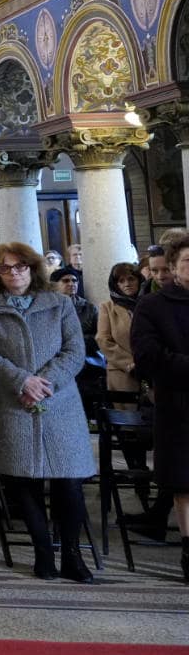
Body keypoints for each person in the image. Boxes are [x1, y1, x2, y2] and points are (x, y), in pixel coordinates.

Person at [0, 242, 96, 583]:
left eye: (20, 267)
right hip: (13, 402)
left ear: (32, 268)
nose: (14, 273)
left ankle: (71, 554)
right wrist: (21, 380)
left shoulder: (59, 304)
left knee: (68, 482)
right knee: (22, 481)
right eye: (6, 268)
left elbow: (75, 350)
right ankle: (43, 552)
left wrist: (45, 381)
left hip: (59, 402)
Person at [130, 239, 189, 584]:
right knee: (185, 483)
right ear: (174, 266)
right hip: (180, 405)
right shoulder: (154, 305)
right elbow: (149, 357)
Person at [98, 262, 145, 394]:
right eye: (121, 281)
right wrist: (130, 363)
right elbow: (103, 340)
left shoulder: (151, 303)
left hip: (154, 372)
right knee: (129, 414)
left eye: (131, 279)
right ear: (116, 285)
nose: (127, 284)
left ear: (139, 280)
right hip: (123, 373)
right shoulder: (107, 307)